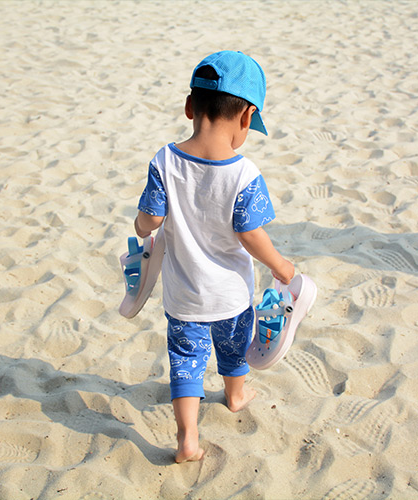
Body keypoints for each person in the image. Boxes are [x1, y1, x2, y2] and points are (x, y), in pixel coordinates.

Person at [133, 50, 295, 463]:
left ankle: (187, 440)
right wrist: (280, 266)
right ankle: (235, 396)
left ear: (190, 107)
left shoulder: (164, 160)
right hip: (231, 297)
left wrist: (141, 228)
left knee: (186, 363)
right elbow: (250, 233)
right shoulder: (244, 174)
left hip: (184, 297)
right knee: (234, 349)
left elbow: (149, 219)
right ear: (246, 119)